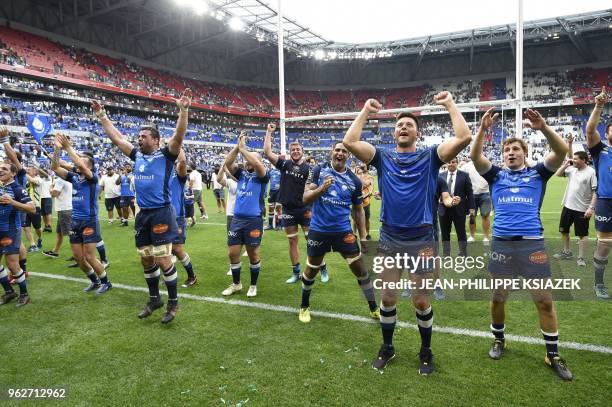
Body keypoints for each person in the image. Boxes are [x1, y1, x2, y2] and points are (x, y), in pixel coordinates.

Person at [343, 92, 471, 375]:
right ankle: (387, 347)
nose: (403, 127)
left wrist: (450, 103)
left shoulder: (430, 157)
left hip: (421, 238)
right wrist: (365, 110)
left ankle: (426, 350)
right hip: (390, 238)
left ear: (417, 132)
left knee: (421, 300)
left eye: (408, 125)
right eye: (399, 125)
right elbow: (350, 142)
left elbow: (463, 138)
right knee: (388, 297)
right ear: (394, 132)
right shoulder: (383, 157)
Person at [470, 107, 573, 381]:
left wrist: (543, 128)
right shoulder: (495, 176)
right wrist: (482, 129)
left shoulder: (539, 173)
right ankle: (499, 340)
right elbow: (474, 156)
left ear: (525, 153)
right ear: (502, 155)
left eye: (516, 149)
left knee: (544, 301)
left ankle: (552, 354)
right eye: (507, 150)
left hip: (532, 246)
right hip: (502, 245)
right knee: (497, 297)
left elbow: (562, 152)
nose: (511, 153)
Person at [92, 88, 192, 324]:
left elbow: (179, 135)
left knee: (164, 259)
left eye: (144, 136)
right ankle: (154, 298)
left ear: (156, 141)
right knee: (146, 259)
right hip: (143, 215)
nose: (139, 139)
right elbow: (116, 138)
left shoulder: (166, 155)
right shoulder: (137, 156)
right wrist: (102, 116)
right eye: (138, 136)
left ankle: (173, 303)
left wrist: (183, 110)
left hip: (161, 213)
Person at [298, 142, 379, 323]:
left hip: (343, 232)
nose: (340, 153)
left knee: (361, 271)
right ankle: (304, 306)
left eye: (344, 151)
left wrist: (364, 236)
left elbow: (358, 210)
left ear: (348, 156)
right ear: (331, 152)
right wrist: (321, 189)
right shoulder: (319, 170)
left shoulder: (354, 181)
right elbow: (305, 198)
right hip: (319, 231)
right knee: (311, 271)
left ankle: (374, 308)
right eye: (337, 150)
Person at [263, 123, 330, 283]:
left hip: (305, 209)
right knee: (292, 240)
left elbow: (314, 188)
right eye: (292, 150)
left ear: (303, 152)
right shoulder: (284, 164)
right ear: (290, 153)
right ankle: (296, 272)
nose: (295, 152)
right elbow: (267, 152)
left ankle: (322, 267)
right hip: (288, 209)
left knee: (311, 240)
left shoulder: (311, 169)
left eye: (298, 149)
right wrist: (269, 132)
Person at [51, 133, 112, 295]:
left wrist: (67, 147)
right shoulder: (74, 177)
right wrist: (57, 149)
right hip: (74, 221)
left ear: (90, 167)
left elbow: (79, 163)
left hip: (89, 221)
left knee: (90, 257)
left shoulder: (93, 178)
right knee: (79, 258)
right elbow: (55, 167)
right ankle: (94, 280)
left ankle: (106, 282)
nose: (77, 160)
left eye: (82, 159)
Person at [220, 132, 269, 298]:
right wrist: (237, 147)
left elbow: (257, 163)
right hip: (237, 220)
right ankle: (236, 283)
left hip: (253, 221)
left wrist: (244, 150)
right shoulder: (241, 175)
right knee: (232, 253)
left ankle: (253, 285)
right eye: (246, 159)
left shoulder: (262, 176)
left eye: (251, 159)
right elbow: (228, 163)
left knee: (253, 254)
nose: (247, 161)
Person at [553, 136, 597, 267]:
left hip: (582, 209)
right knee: (564, 230)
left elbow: (596, 192)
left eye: (576, 159)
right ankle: (567, 252)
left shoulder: (591, 172)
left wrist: (591, 208)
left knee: (582, 235)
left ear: (584, 160)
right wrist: (566, 163)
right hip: (567, 206)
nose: (573, 161)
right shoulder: (572, 170)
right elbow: (558, 174)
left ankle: (581, 258)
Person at [586, 86, 611, 299]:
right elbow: (589, 130)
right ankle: (598, 283)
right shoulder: (601, 150)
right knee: (604, 244)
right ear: (608, 133)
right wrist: (599, 105)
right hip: (606, 202)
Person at [0, 161, 35, 307]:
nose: (1, 171)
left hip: (11, 231)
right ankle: (9, 291)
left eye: (4, 169)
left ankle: (24, 294)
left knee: (12, 264)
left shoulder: (17, 188)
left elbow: (32, 208)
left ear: (13, 173)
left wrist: (13, 202)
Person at [169, 149, 197, 288]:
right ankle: (170, 276)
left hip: (177, 217)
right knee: (164, 250)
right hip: (162, 217)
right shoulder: (161, 177)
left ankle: (192, 276)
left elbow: (183, 162)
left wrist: (178, 146)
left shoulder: (178, 177)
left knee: (177, 249)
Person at [438, 158, 474, 257]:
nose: (451, 164)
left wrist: (472, 209)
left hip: (459, 209)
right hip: (443, 209)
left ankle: (463, 253)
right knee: (445, 233)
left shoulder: (464, 175)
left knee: (461, 232)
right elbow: (436, 192)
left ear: (457, 163)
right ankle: (446, 254)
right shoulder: (440, 176)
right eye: (449, 162)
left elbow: (470, 193)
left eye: (453, 162)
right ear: (446, 163)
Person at [461, 158, 492, 244]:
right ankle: (472, 236)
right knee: (471, 216)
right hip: (471, 195)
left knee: (485, 216)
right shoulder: (466, 166)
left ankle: (486, 237)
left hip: (485, 193)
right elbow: (461, 177)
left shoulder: (487, 164)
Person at [42, 175, 72, 258]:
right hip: (65, 209)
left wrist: (50, 187)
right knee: (60, 233)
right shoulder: (67, 179)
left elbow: (54, 194)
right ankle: (55, 251)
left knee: (71, 234)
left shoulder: (60, 180)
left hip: (64, 210)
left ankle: (78, 254)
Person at [24, 166, 44, 252]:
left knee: (37, 227)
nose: (27, 171)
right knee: (26, 227)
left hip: (35, 206)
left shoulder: (39, 180)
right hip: (24, 206)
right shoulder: (24, 180)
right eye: (27, 170)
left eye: (29, 170)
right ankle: (32, 244)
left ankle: (40, 238)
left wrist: (22, 172)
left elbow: (32, 180)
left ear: (35, 172)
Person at [353, 164, 373, 240]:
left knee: (367, 219)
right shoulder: (355, 178)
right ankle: (354, 234)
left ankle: (368, 234)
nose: (360, 173)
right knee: (355, 219)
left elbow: (370, 190)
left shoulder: (369, 178)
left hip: (365, 202)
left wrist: (360, 197)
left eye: (361, 172)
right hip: (356, 202)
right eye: (358, 172)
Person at [265, 166, 281, 230]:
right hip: (271, 191)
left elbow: (285, 180)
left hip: (279, 192)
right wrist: (265, 191)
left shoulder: (281, 171)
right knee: (271, 208)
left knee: (278, 208)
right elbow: (266, 181)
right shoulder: (270, 171)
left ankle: (278, 225)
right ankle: (270, 225)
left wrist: (281, 186)